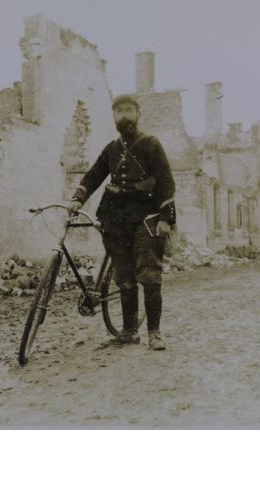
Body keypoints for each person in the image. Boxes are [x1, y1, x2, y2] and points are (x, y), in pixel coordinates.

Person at [68, 95, 176, 350]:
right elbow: (94, 175)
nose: (124, 115)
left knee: (149, 274)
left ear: (138, 114)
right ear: (114, 117)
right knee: (124, 276)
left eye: (128, 110)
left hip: (146, 218)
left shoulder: (150, 144)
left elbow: (166, 182)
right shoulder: (112, 149)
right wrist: (78, 198)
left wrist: (166, 219)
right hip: (116, 220)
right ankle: (129, 331)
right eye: (119, 111)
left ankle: (154, 333)